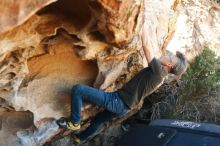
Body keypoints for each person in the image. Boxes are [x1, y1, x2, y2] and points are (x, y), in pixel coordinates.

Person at [56, 26, 188, 144]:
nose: (166, 54)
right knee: (98, 121)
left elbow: (147, 46)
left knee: (78, 90)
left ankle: (75, 123)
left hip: (117, 101)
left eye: (168, 56)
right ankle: (80, 139)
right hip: (124, 107)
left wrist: (141, 23)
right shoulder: (160, 77)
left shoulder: (158, 72)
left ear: (168, 65)